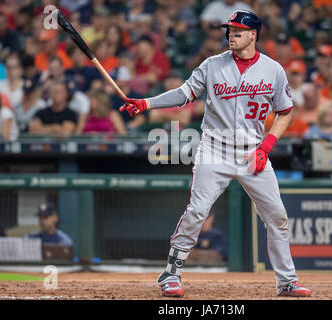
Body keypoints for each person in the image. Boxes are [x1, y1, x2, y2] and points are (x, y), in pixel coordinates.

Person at [119, 10, 312, 298]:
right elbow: (185, 93)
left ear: (253, 34)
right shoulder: (212, 65)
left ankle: (287, 282)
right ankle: (170, 275)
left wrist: (266, 147)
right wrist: (147, 103)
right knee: (197, 211)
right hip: (214, 148)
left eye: (237, 30)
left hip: (253, 151)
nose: (231, 34)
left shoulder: (273, 70)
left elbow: (285, 113)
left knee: (277, 217)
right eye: (229, 30)